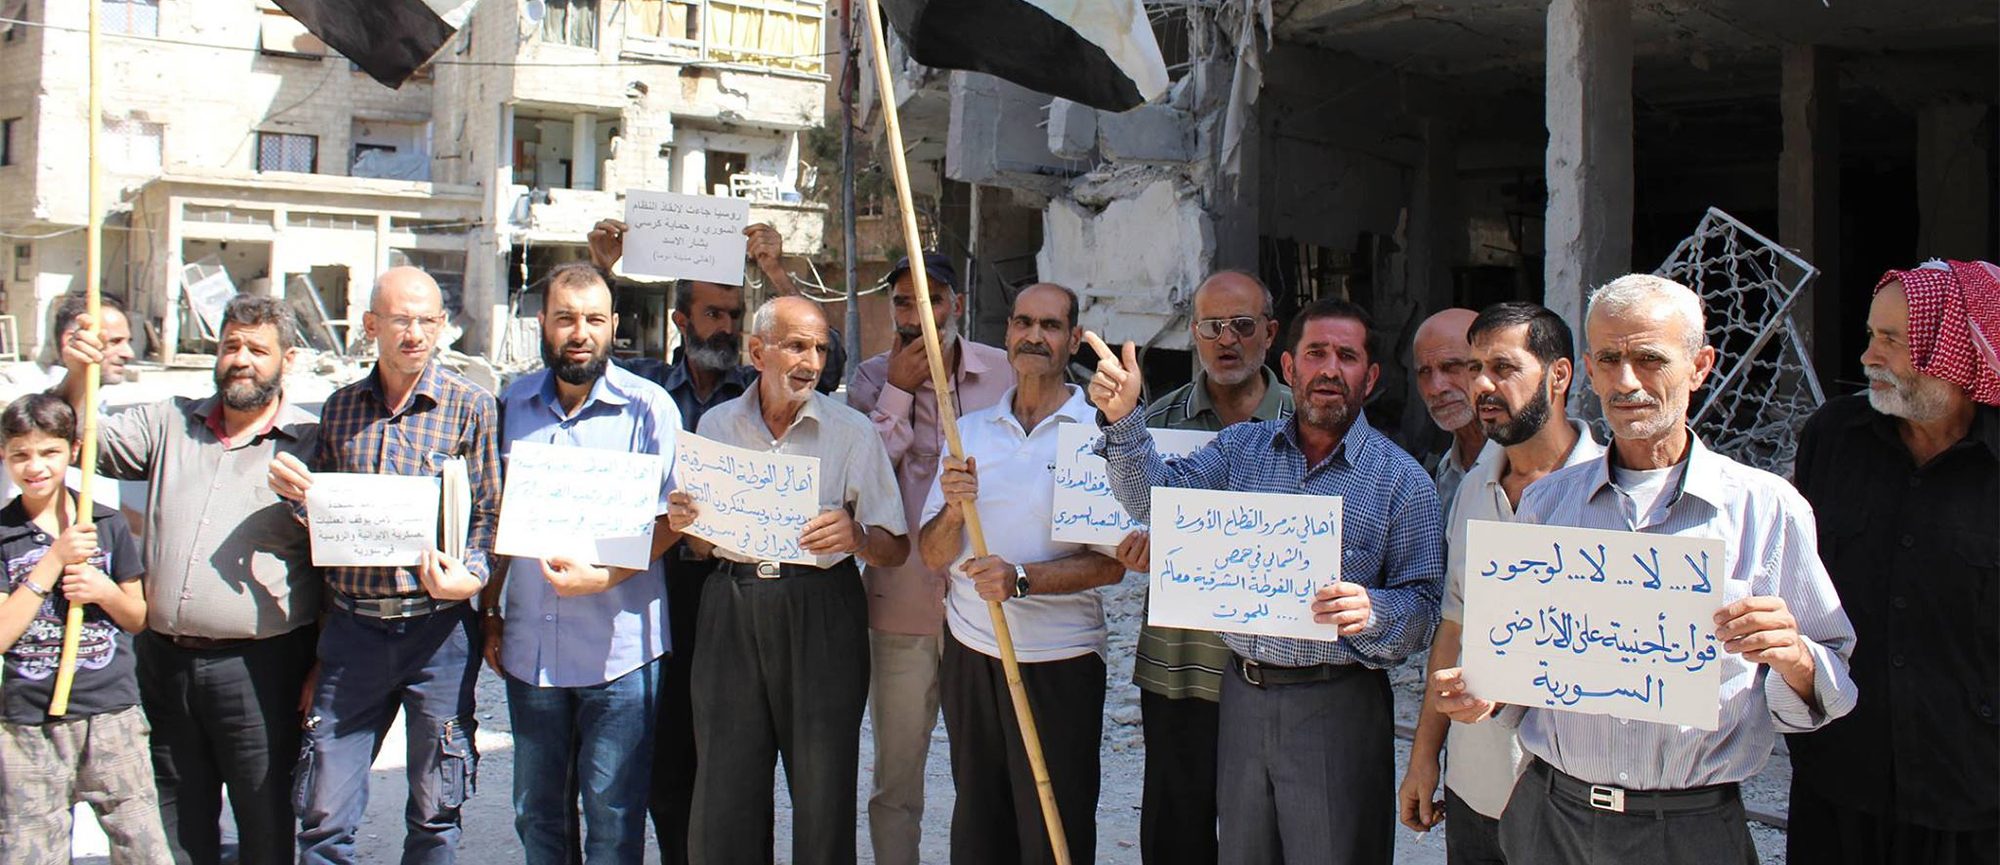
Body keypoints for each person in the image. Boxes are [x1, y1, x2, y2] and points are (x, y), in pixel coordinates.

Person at [1431, 273, 1858, 865]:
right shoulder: (1548, 504)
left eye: (1650, 359)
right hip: (1552, 818)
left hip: (1690, 830)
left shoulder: (1764, 508)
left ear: (1700, 366)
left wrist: (1795, 657)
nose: (1626, 381)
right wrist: (1487, 692)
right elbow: (1525, 669)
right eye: (1609, 359)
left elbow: (1834, 685)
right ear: (1587, 368)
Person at [1088, 296, 1445, 865]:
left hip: (1339, 703)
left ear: (1372, 377)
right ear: (1289, 367)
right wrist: (1125, 419)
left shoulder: (1402, 482)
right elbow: (1155, 505)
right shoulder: (1240, 451)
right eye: (1316, 353)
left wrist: (1374, 610)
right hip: (1242, 696)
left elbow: (1425, 609)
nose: (1330, 369)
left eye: (1347, 356)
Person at [59, 295, 320, 865]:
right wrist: (79, 373)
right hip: (164, 661)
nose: (241, 360)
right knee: (174, 816)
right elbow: (74, 441)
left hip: (262, 669)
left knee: (264, 818)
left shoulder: (311, 443)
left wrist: (322, 665)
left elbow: (339, 563)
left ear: (288, 360)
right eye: (231, 346)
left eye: (258, 349)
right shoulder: (168, 421)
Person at [268, 266, 503, 865]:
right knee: (324, 813)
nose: (414, 334)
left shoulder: (472, 407)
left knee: (436, 810)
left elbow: (488, 514)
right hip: (354, 631)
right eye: (400, 320)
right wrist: (300, 499)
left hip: (438, 632)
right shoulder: (341, 409)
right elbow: (322, 524)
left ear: (442, 326)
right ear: (372, 325)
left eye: (426, 321)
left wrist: (473, 575)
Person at [666, 296, 907, 865]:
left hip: (821, 608)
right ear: (757, 352)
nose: (812, 362)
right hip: (731, 602)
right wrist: (686, 524)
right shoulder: (716, 425)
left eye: (820, 348)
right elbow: (701, 546)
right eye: (797, 346)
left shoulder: (851, 432)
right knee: (726, 784)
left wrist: (856, 535)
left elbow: (895, 546)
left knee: (824, 789)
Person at [1786, 260, 2000, 865]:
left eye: (1891, 340)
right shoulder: (1834, 436)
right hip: (1841, 780)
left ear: (1953, 350)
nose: (1868, 357)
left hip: (1974, 792)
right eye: (1870, 335)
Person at [916, 282, 1128, 865]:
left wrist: (1022, 579)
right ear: (1008, 332)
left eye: (1050, 326)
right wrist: (953, 509)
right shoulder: (969, 431)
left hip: (1061, 662)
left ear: (1073, 340)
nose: (1034, 336)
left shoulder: (1098, 436)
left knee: (1055, 829)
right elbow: (932, 555)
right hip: (972, 654)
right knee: (980, 822)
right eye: (1023, 322)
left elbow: (1112, 565)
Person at [486, 263, 683, 864]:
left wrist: (604, 576)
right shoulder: (509, 405)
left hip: (619, 654)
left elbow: (673, 518)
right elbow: (493, 517)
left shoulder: (649, 408)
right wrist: (489, 611)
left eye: (594, 319)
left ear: (613, 326)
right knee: (536, 812)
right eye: (566, 318)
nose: (580, 333)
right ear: (542, 324)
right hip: (530, 650)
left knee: (613, 817)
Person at [1396, 301, 1601, 864]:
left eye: (1502, 368)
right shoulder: (1473, 486)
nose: (1481, 386)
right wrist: (1425, 757)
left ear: (1559, 375)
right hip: (1475, 785)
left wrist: (1511, 685)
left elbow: (1616, 654)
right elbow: (1454, 626)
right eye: (1475, 369)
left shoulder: (1610, 494)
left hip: (1574, 800)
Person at [846, 252, 1013, 865]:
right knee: (896, 776)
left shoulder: (1002, 372)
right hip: (900, 604)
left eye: (932, 300)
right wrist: (897, 389)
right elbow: (859, 483)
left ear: (956, 305)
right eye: (904, 302)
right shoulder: (869, 381)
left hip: (983, 610)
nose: (918, 315)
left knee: (987, 772)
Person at [1129, 271, 1292, 865]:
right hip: (1180, 664)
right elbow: (1125, 515)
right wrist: (1134, 548)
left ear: (1269, 333)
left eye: (1243, 325)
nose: (1227, 339)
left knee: (1270, 832)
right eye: (1212, 326)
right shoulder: (1155, 424)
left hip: (1279, 669)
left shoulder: (1309, 421)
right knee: (1176, 829)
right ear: (1193, 334)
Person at [0, 393, 168, 863]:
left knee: (142, 845)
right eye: (20, 454)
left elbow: (136, 618)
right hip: (28, 721)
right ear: (4, 455)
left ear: (73, 450)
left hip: (110, 712)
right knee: (30, 850)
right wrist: (52, 561)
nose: (35, 466)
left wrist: (103, 591)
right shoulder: (4, 534)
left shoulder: (105, 524)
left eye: (49, 452)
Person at [589, 218, 845, 397]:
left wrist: (775, 271)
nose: (728, 327)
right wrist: (600, 268)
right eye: (713, 314)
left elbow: (828, 370)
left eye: (735, 315)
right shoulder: (648, 384)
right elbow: (586, 367)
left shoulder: (757, 389)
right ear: (682, 321)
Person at [1413, 308, 1485, 517]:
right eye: (1424, 372)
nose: (1436, 388)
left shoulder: (1526, 469)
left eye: (1452, 367)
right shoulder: (1441, 473)